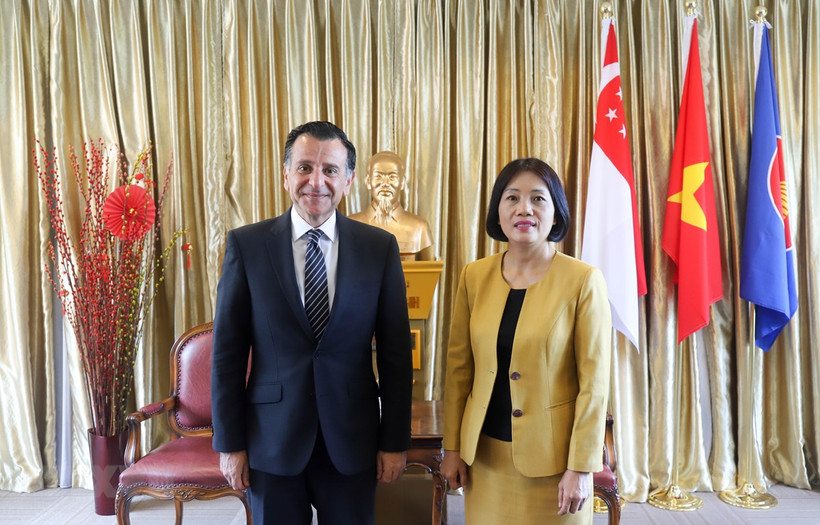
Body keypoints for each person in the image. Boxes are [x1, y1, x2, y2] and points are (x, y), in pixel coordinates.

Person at [211, 121, 414, 525]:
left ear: (349, 180)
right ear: (286, 175)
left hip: (352, 438)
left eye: (330, 170)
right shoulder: (247, 246)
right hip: (272, 440)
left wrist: (394, 441)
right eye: (304, 167)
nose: (316, 181)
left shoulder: (379, 249)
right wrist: (229, 444)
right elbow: (227, 355)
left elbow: (395, 356)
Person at [441, 158, 612, 524]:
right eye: (512, 198)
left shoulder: (583, 280)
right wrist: (452, 448)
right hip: (485, 459)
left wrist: (581, 466)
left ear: (555, 213)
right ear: (498, 212)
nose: (524, 209)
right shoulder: (474, 276)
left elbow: (594, 384)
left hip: (555, 466)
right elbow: (458, 372)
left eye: (538, 198)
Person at [349, 151, 434, 260]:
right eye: (378, 176)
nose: (385, 183)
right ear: (368, 181)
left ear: (402, 182)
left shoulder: (420, 228)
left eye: (392, 177)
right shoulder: (350, 226)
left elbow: (428, 269)